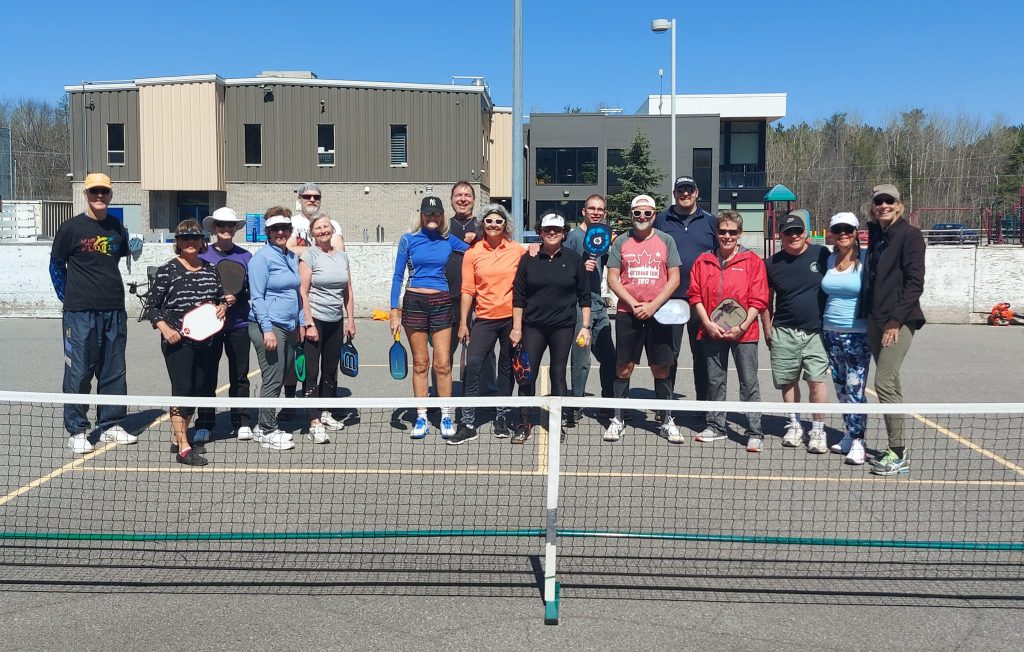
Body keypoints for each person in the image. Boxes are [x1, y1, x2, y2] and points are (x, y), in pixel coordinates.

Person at [50, 172, 137, 454]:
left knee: (113, 370)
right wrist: (69, 297)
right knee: (78, 371)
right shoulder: (70, 228)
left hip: (113, 309)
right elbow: (56, 267)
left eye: (104, 192)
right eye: (94, 192)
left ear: (110, 195)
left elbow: (120, 257)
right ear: (86, 195)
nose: (100, 197)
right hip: (80, 313)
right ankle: (77, 429)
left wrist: (136, 250)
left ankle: (111, 423)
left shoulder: (116, 226)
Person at [146, 220, 227, 466]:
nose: (190, 242)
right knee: (182, 390)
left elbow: (220, 298)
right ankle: (183, 447)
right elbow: (152, 307)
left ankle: (178, 435)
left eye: (195, 238)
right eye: (185, 238)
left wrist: (223, 306)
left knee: (198, 390)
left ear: (202, 241)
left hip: (207, 342)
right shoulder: (167, 270)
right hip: (178, 342)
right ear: (177, 242)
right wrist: (165, 328)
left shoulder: (211, 269)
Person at [390, 196, 470, 439]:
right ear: (421, 215)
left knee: (443, 364)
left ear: (442, 215)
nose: (432, 217)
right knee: (421, 363)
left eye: (436, 213)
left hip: (441, 302)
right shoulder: (408, 240)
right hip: (414, 303)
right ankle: (422, 417)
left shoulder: (449, 240)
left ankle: (446, 415)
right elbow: (397, 276)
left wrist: (477, 240)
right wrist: (394, 311)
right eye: (428, 213)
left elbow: (478, 255)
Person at [688, 211, 768, 452]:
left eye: (732, 232)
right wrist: (708, 323)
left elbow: (759, 299)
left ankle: (755, 432)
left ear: (740, 234)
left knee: (749, 382)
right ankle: (716, 426)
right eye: (723, 231)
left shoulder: (753, 261)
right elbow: (695, 295)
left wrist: (741, 326)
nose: (727, 236)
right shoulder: (703, 260)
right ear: (716, 233)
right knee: (715, 381)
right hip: (711, 331)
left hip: (744, 332)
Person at [605, 195, 682, 443]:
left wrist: (653, 305)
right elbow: (613, 278)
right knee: (624, 367)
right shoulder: (621, 242)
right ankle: (618, 419)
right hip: (629, 314)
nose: (642, 218)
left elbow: (674, 278)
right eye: (637, 213)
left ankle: (667, 419)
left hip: (659, 314)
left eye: (647, 213)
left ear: (654, 215)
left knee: (661, 367)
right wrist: (633, 303)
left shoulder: (666, 240)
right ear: (631, 214)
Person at [862, 184, 926, 476]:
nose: (884, 205)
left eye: (889, 201)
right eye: (879, 202)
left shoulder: (910, 236)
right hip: (875, 320)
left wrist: (894, 321)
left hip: (897, 322)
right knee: (892, 384)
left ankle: (897, 453)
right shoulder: (877, 236)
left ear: (899, 206)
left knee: (884, 382)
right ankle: (897, 447)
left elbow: (915, 283)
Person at [512, 212, 590, 443]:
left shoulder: (574, 259)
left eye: (557, 229)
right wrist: (517, 328)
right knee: (526, 376)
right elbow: (518, 297)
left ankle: (557, 423)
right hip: (532, 327)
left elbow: (584, 296)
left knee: (558, 374)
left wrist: (585, 327)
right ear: (540, 232)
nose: (552, 233)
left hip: (563, 327)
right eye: (547, 229)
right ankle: (524, 422)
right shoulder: (529, 258)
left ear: (564, 232)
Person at [448, 204, 521, 445]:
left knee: (506, 368)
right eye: (489, 221)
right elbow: (467, 289)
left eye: (498, 222)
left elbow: (536, 260)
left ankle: (501, 417)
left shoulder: (516, 251)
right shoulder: (473, 252)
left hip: (510, 319)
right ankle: (468, 423)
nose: (493, 225)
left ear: (505, 225)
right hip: (484, 319)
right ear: (482, 225)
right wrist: (463, 323)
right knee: (473, 365)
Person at [763, 211, 832, 453]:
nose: (793, 235)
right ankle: (794, 424)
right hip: (783, 332)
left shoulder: (822, 254)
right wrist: (768, 328)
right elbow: (765, 301)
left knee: (817, 381)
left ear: (806, 233)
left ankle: (818, 430)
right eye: (788, 232)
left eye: (798, 231)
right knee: (788, 382)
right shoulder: (771, 264)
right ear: (780, 235)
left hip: (816, 333)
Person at [653, 176, 718, 404]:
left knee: (702, 355)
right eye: (681, 190)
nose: (686, 194)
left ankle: (703, 405)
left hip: (701, 301)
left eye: (690, 189)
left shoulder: (710, 221)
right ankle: (665, 406)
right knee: (668, 355)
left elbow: (723, 255)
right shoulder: (661, 220)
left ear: (697, 192)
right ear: (674, 193)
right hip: (670, 300)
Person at [247, 207, 305, 451]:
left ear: (290, 231)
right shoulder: (261, 258)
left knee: (283, 373)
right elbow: (257, 297)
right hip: (267, 326)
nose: (280, 232)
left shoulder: (291, 257)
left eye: (284, 228)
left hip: (289, 326)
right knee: (273, 376)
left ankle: (264, 424)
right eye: (275, 229)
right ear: (268, 233)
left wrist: (301, 322)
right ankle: (267, 430)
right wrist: (267, 330)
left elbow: (296, 293)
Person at [295, 213, 355, 443]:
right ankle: (314, 421)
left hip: (335, 321)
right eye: (318, 228)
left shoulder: (342, 257)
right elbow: (303, 292)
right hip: (315, 320)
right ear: (313, 233)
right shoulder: (309, 256)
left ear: (332, 230)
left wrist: (350, 319)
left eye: (326, 227)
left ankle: (326, 412)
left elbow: (348, 291)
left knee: (330, 370)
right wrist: (309, 323)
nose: (323, 231)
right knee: (312, 372)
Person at [197, 207, 254, 441]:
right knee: (207, 375)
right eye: (221, 225)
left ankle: (241, 421)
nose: (226, 229)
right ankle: (205, 422)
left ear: (235, 229)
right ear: (214, 229)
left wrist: (237, 297)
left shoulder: (246, 257)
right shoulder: (202, 256)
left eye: (230, 225)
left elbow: (252, 288)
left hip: (238, 325)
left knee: (240, 376)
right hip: (209, 326)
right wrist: (216, 301)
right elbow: (196, 289)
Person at [822, 212, 871, 465]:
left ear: (855, 233)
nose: (843, 233)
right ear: (831, 233)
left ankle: (859, 440)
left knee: (855, 388)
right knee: (841, 388)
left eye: (848, 229)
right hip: (830, 332)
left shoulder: (867, 259)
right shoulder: (830, 259)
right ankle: (848, 433)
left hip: (858, 335)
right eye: (838, 229)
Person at [564, 195, 616, 421]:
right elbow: (561, 267)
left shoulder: (602, 236)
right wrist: (579, 268)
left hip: (599, 306)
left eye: (600, 209)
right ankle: (575, 406)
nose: (596, 212)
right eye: (592, 208)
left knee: (610, 358)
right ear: (583, 210)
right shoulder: (573, 237)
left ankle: (609, 404)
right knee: (581, 360)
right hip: (578, 308)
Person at [442, 181, 497, 397]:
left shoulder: (485, 227)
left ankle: (489, 396)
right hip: (447, 300)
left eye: (467, 195)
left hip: (480, 301)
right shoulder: (443, 227)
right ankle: (441, 398)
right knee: (444, 352)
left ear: (474, 200)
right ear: (452, 200)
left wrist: (479, 241)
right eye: (458, 195)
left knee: (485, 352)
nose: (463, 199)